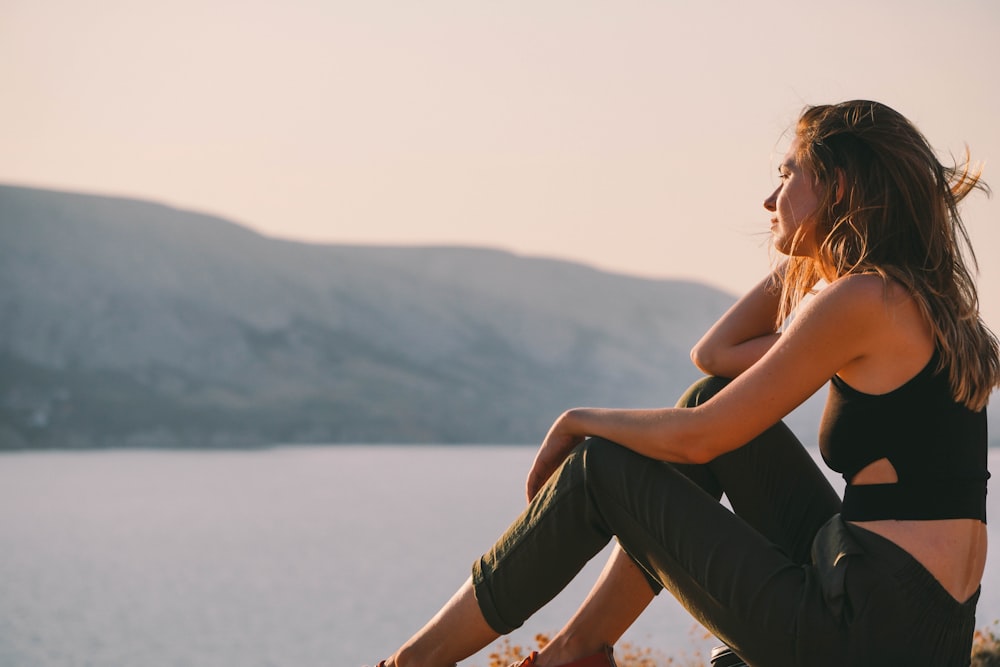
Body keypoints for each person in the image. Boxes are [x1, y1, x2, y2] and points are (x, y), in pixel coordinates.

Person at [368, 100, 998, 667]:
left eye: (787, 175)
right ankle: (581, 651)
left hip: (861, 629)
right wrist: (814, 246)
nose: (769, 199)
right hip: (915, 627)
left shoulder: (863, 299)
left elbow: (700, 439)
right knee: (704, 401)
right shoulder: (921, 299)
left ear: (836, 186)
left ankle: (412, 664)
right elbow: (716, 358)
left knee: (601, 468)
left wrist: (576, 420)